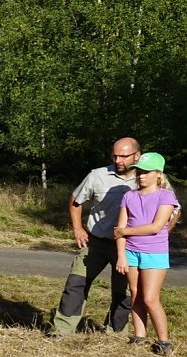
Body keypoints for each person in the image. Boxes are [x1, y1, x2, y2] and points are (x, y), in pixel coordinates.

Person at [49, 138, 141, 336]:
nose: (118, 160)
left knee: (123, 292)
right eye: (115, 155)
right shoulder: (97, 175)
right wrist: (77, 228)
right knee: (76, 284)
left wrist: (159, 236)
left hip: (129, 246)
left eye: (124, 156)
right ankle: (61, 331)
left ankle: (116, 333)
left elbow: (172, 210)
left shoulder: (147, 177)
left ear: (137, 156)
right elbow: (75, 200)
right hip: (96, 242)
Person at [114, 152, 180, 356]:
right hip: (131, 251)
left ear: (158, 174)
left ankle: (163, 341)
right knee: (135, 294)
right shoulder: (129, 196)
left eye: (146, 172)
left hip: (154, 252)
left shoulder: (165, 196)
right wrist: (121, 255)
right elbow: (120, 228)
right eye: (139, 171)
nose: (141, 175)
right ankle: (139, 335)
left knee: (151, 298)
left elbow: (155, 227)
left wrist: (124, 231)